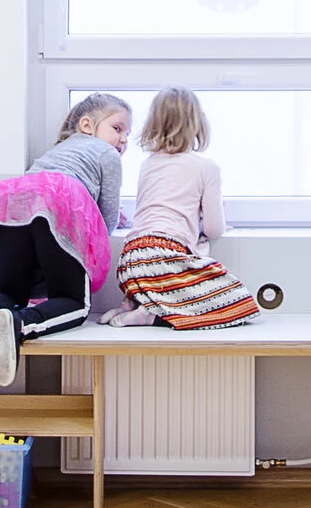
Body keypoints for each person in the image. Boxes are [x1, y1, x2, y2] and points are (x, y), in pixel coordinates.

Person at [0, 94, 131, 385]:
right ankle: (21, 322)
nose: (123, 140)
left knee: (11, 292)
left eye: (127, 134)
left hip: (11, 202)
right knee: (74, 303)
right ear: (87, 125)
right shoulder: (106, 154)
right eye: (117, 128)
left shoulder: (55, 153)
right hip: (58, 202)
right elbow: (106, 220)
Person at [103, 87, 259, 329]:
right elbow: (215, 229)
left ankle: (132, 303)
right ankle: (153, 315)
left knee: (162, 281)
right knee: (238, 300)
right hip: (163, 256)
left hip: (130, 261)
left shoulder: (148, 164)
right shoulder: (206, 167)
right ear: (198, 124)